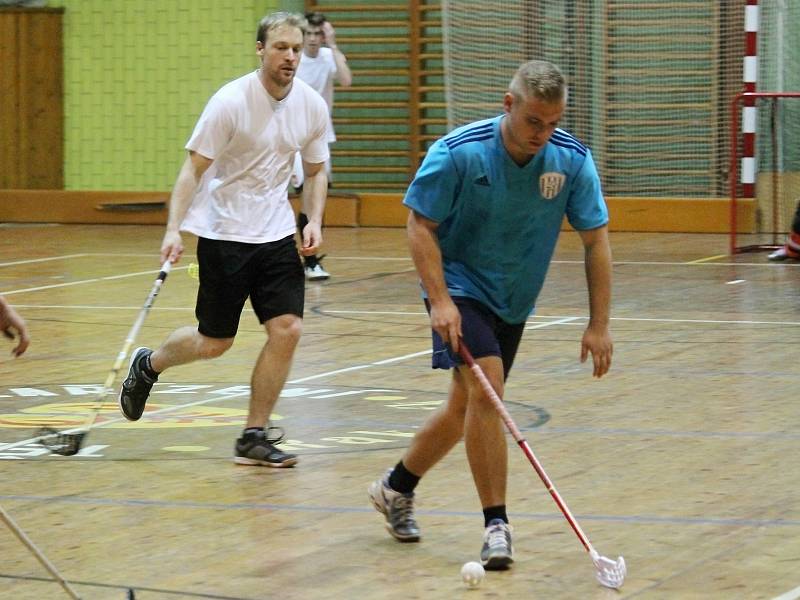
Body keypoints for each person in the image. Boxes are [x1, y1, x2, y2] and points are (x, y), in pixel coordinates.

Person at [368, 60, 613, 569]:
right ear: (509, 105)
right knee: (488, 390)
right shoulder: (459, 153)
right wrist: (440, 300)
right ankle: (496, 524)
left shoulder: (569, 161)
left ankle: (396, 487)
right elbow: (419, 225)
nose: (542, 135)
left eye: (552, 123)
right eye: (533, 122)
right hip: (459, 289)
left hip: (514, 299)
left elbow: (596, 241)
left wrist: (599, 323)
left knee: (465, 408)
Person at [117, 12, 331, 468]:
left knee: (288, 328)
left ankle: (253, 434)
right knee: (215, 343)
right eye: (281, 48)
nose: (290, 56)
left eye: (295, 48)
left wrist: (313, 218)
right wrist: (175, 228)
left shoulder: (311, 105)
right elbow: (192, 170)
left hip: (275, 234)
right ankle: (149, 363)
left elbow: (315, 171)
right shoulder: (230, 102)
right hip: (224, 234)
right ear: (260, 50)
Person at [291, 11, 352, 281]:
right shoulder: (294, 59)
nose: (314, 40)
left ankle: (310, 260)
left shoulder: (328, 58)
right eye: (309, 34)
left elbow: (347, 80)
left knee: (313, 197)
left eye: (318, 34)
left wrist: (334, 44)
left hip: (318, 136)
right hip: (290, 135)